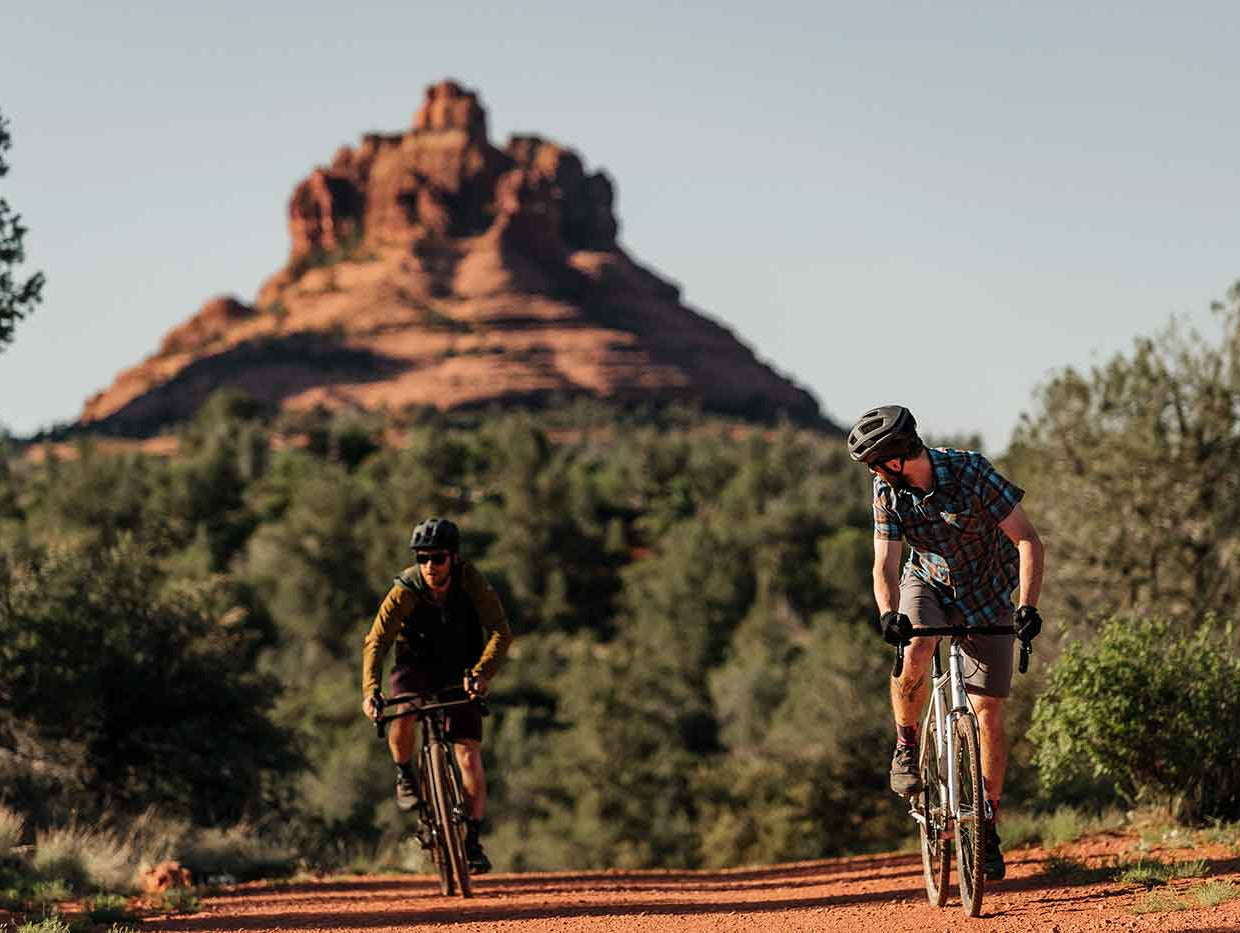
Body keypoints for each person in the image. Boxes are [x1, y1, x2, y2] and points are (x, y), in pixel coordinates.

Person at [846, 405, 1044, 882]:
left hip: (989, 589)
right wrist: (889, 614)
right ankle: (906, 745)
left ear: (894, 459)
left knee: (990, 712)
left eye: (875, 462)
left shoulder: (971, 472)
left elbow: (1028, 540)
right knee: (917, 647)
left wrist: (1028, 606)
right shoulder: (886, 492)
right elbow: (885, 566)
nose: (873, 472)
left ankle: (987, 822)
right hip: (927, 585)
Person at [362, 517, 513, 875]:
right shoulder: (406, 587)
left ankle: (472, 839)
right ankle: (405, 773)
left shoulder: (470, 581)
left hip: (462, 670)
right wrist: (371, 690)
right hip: (415, 664)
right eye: (423, 558)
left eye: (438, 558)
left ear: (453, 557)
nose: (430, 566)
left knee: (468, 757)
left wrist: (481, 673)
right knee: (403, 712)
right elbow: (377, 641)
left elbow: (501, 632)